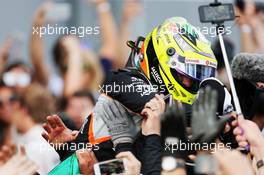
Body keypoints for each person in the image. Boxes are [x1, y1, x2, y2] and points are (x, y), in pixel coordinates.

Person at [42, 16, 218, 171]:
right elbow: (91, 161)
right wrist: (70, 150)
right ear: (160, 60)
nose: (192, 82)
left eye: (199, 74)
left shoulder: (182, 120)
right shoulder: (122, 81)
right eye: (186, 73)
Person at [11, 83, 60, 174]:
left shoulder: (32, 148)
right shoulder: (49, 138)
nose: (11, 114)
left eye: (14, 108)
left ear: (23, 110)